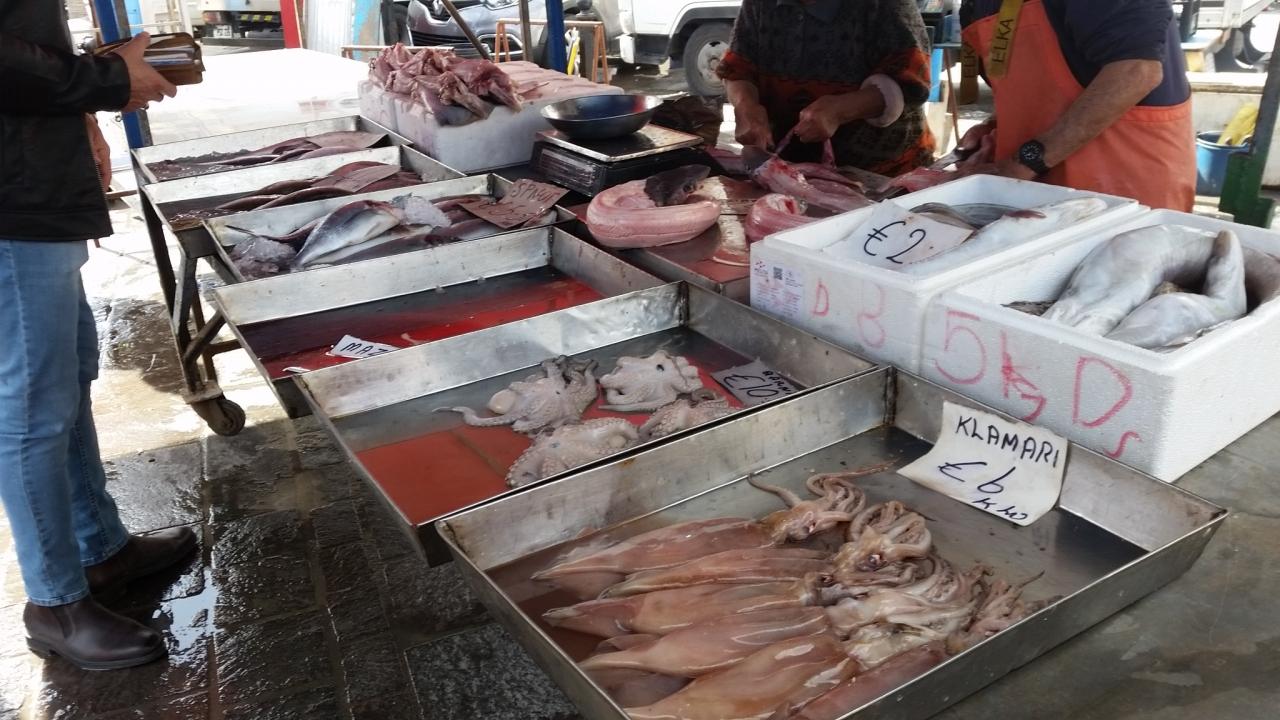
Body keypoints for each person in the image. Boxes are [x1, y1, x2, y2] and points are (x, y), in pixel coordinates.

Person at [1, 8, 189, 671]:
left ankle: (99, 548)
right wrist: (104, 81)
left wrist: (84, 104)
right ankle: (54, 603)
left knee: (68, 377)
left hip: (37, 187)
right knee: (32, 408)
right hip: (12, 201)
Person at [957, 0, 1195, 211]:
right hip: (1037, 185)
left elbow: (1136, 72)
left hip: (1123, 184)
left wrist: (1025, 161)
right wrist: (998, 124)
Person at [718, 0, 937, 177]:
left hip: (887, 173)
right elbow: (738, 70)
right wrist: (745, 106)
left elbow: (912, 83)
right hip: (789, 170)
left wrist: (840, 110)